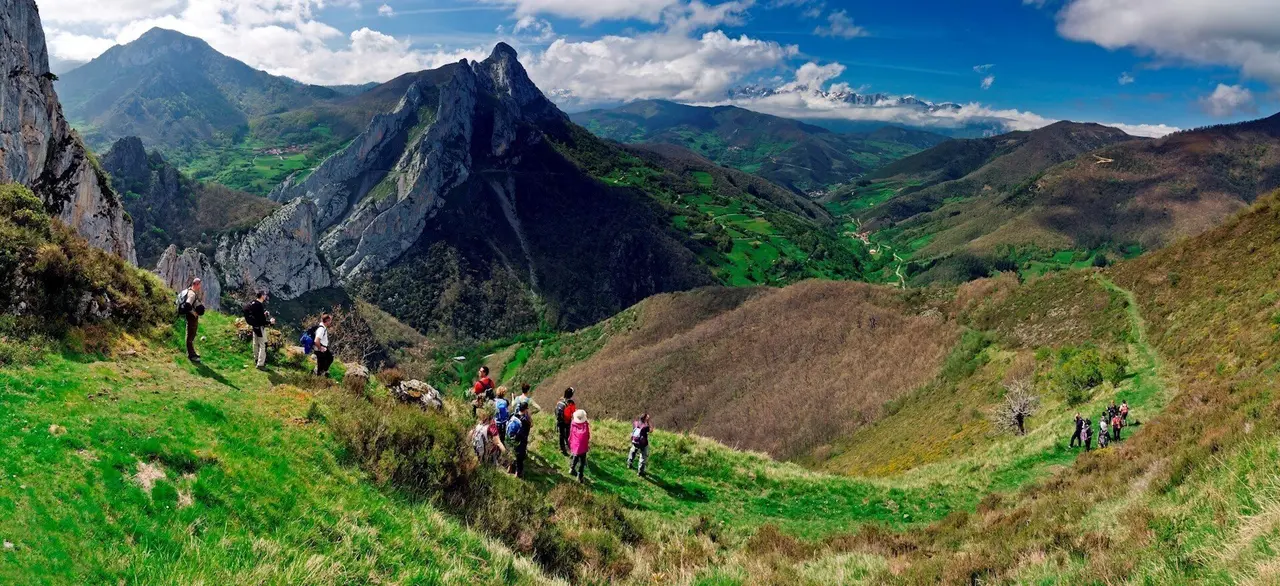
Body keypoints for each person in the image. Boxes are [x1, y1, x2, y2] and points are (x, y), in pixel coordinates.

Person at [244, 290, 275, 370]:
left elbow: (257, 316)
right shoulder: (259, 305)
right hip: (260, 327)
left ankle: (256, 359)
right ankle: (260, 364)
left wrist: (263, 314)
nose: (265, 296)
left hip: (254, 326)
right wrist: (270, 322)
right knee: (263, 345)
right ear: (262, 296)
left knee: (255, 343)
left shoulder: (253, 302)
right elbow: (262, 321)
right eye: (264, 295)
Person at [179, 278, 205, 362]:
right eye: (199, 284)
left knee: (191, 335)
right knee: (190, 336)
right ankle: (191, 355)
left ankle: (192, 353)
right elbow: (187, 305)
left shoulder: (190, 291)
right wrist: (193, 313)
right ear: (196, 284)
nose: (200, 286)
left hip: (192, 317)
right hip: (191, 318)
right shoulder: (192, 294)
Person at [507, 403, 532, 478]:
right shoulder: (525, 420)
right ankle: (518, 473)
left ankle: (510, 468)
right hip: (521, 441)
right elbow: (529, 428)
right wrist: (529, 416)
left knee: (512, 453)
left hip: (511, 439)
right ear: (525, 409)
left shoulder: (512, 415)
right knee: (520, 457)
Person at [568, 409, 591, 483]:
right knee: (582, 462)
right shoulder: (585, 426)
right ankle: (580, 476)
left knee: (575, 456)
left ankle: (572, 469)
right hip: (582, 446)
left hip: (574, 444)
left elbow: (571, 432)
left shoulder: (573, 423)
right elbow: (587, 436)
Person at [554, 388, 576, 456]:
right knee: (568, 435)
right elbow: (574, 412)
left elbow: (555, 410)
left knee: (561, 434)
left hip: (560, 421)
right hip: (567, 421)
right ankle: (569, 447)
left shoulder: (560, 401)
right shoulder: (571, 402)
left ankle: (562, 449)